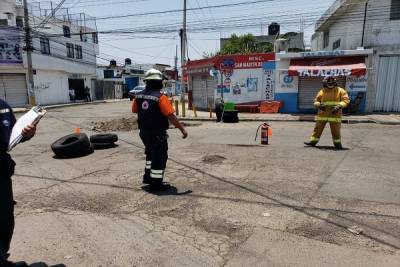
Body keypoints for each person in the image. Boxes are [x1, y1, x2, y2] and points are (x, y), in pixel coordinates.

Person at [131, 69, 188, 191]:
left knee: (150, 155)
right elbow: (171, 116)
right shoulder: (161, 97)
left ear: (147, 82)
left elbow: (135, 110)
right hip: (157, 133)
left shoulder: (139, 95)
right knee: (159, 158)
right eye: (161, 81)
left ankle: (148, 178)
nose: (162, 83)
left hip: (144, 133)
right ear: (158, 82)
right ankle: (156, 183)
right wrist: (182, 129)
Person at [1, 98, 36, 267]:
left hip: (1, 176)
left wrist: (26, 134)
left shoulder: (3, 107)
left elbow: (12, 136)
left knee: (5, 222)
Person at [304, 76, 350, 149]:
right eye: (328, 83)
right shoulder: (322, 91)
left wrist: (339, 106)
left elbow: (346, 100)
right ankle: (313, 142)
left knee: (336, 130)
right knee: (317, 129)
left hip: (335, 114)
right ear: (325, 83)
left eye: (332, 83)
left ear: (335, 83)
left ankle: (337, 144)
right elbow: (316, 100)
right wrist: (319, 105)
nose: (330, 84)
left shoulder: (341, 91)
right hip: (323, 114)